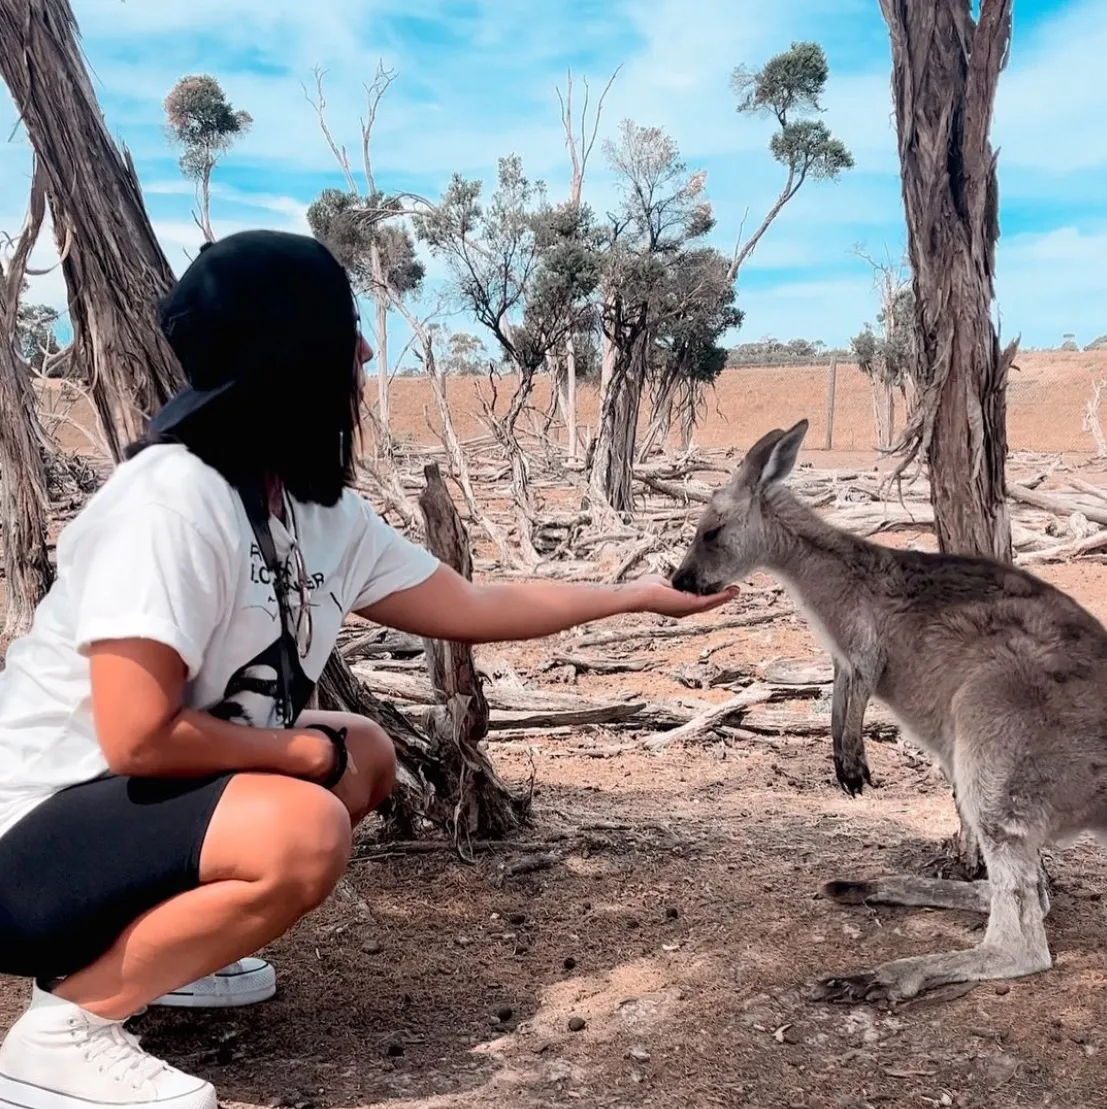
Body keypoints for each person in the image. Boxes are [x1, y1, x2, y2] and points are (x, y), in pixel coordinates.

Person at [0, 229, 736, 1109]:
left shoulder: (313, 509)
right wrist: (296, 759)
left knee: (366, 751)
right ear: (292, 352)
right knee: (303, 822)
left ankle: (162, 959)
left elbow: (473, 606)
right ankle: (59, 1035)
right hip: (27, 839)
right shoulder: (171, 500)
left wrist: (637, 596)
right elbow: (138, 734)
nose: (363, 349)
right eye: (346, 327)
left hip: (118, 818)